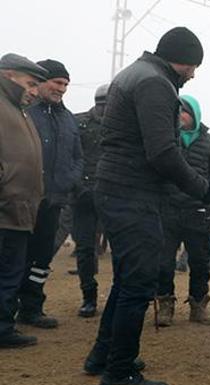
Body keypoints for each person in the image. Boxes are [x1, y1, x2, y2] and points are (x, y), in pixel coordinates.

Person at [83, 27, 210, 385]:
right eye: (194, 65)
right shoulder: (155, 83)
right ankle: (119, 371)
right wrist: (202, 188)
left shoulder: (135, 74)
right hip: (132, 193)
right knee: (138, 282)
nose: (193, 74)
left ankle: (104, 355)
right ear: (181, 58)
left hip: (118, 189)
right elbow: (162, 152)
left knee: (128, 277)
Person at [15, 59, 83, 329]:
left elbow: (78, 156)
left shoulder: (68, 119)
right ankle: (8, 309)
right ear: (41, 82)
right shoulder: (23, 112)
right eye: (58, 82)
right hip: (22, 200)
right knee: (16, 256)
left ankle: (32, 308)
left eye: (66, 84)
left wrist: (69, 180)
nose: (62, 88)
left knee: (42, 258)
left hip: (54, 201)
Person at [155, 95, 210, 327]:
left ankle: (198, 306)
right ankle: (165, 304)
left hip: (198, 211)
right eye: (176, 112)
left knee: (200, 262)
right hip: (167, 210)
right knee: (164, 262)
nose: (179, 116)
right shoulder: (165, 140)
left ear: (194, 114)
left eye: (183, 112)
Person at [0, 53, 48, 348]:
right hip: (4, 210)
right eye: (30, 84)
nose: (34, 91)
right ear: (8, 75)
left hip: (19, 211)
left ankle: (4, 325)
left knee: (11, 272)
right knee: (5, 273)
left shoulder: (18, 110)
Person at [72, 83, 110, 317]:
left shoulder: (125, 124)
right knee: (85, 249)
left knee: (123, 251)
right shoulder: (78, 123)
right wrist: (79, 187)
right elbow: (71, 157)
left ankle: (119, 297)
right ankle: (89, 296)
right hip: (84, 197)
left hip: (114, 196)